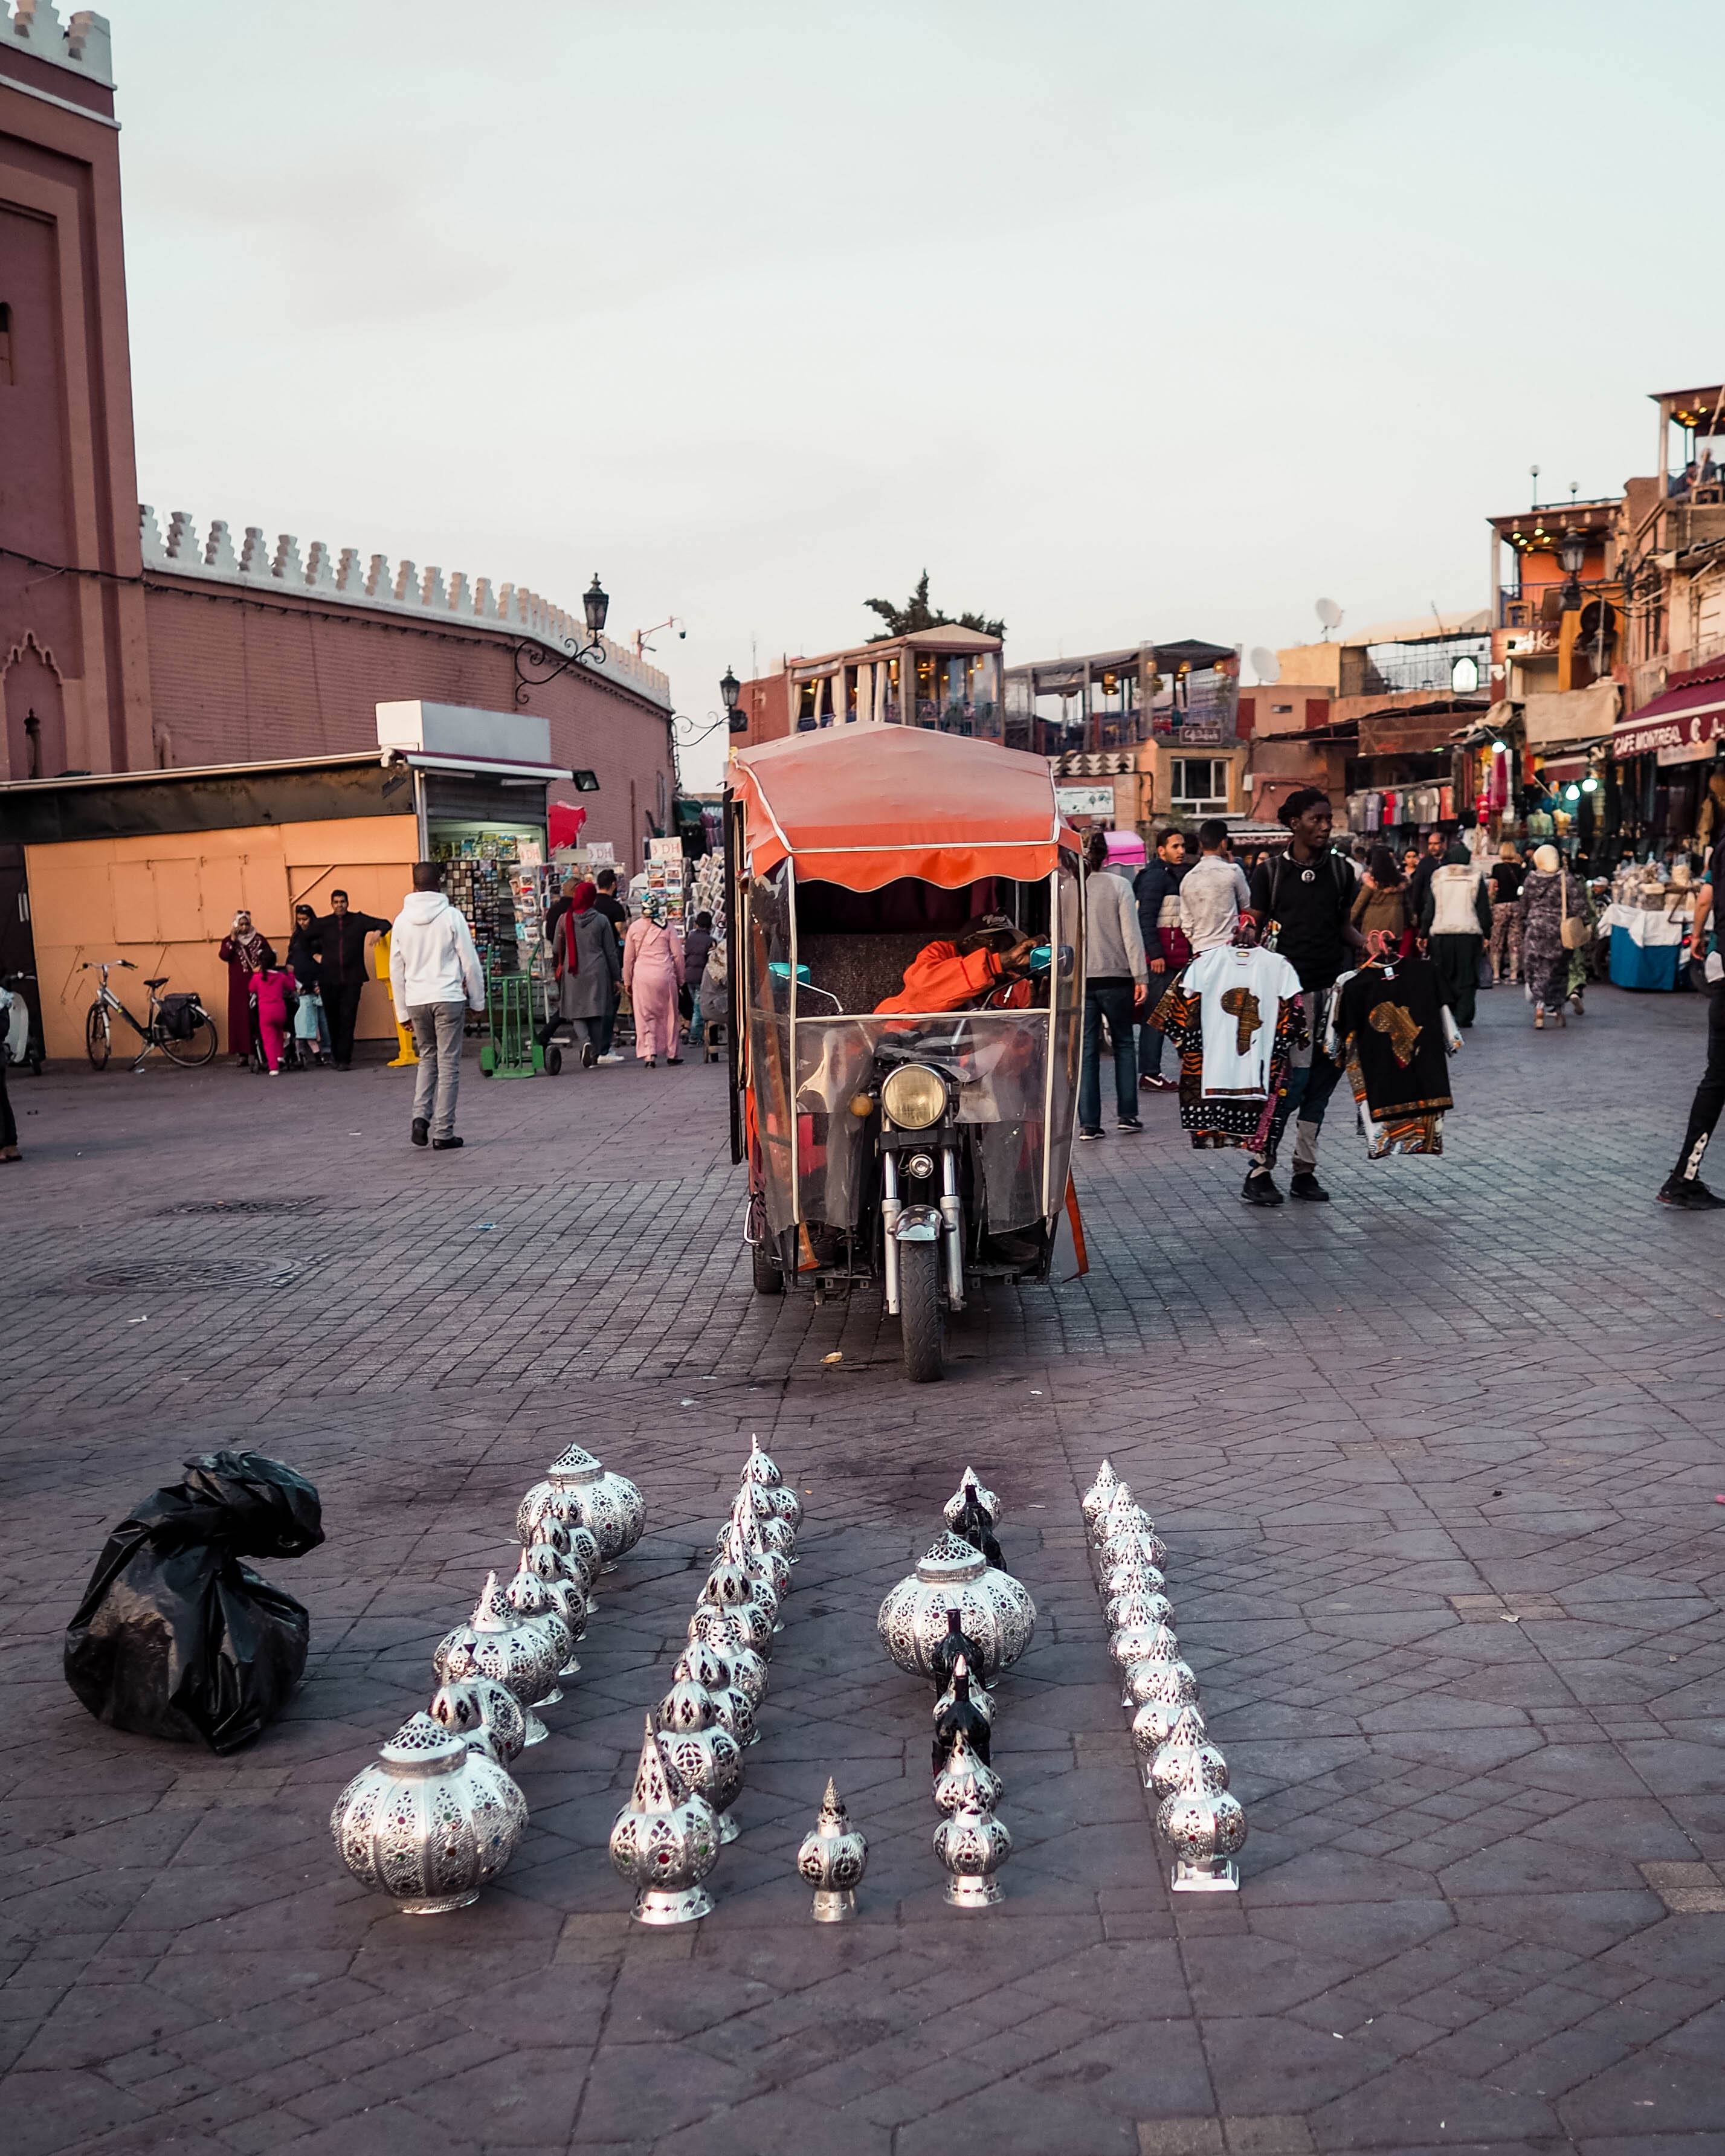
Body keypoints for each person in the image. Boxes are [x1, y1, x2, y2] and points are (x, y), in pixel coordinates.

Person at [1241, 787, 1365, 1205]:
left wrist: (1369, 945)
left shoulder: (1341, 873)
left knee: (1323, 1084)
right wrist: (1244, 934)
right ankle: (1259, 1169)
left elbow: (1343, 927)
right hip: (1290, 1001)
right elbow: (1254, 921)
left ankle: (1304, 1171)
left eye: (1329, 819)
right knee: (1288, 1086)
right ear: (1294, 823)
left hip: (1332, 994)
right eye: (1317, 819)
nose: (1326, 826)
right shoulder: (1269, 872)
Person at [389, 861, 486, 1148]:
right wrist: (478, 1002)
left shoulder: (402, 920)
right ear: (440, 882)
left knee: (427, 1059)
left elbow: (397, 968)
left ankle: (420, 1118)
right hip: (448, 997)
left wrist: (402, 1011)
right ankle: (444, 1132)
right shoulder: (451, 916)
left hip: (417, 1000)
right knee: (449, 1065)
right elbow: (469, 961)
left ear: (414, 884)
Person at [1659, 835, 1725, 1208]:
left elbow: (1705, 895)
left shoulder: (1721, 846)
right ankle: (1682, 1177)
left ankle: (1683, 1176)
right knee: (1716, 1080)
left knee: (1716, 1079)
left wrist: (1698, 934)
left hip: (1722, 969)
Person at [1080, 828, 1147, 1138]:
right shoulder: (1120, 885)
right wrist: (1140, 976)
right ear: (1107, 854)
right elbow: (1131, 936)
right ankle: (1127, 1115)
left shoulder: (1069, 888)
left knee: (1087, 1052)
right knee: (1123, 1044)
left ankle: (1089, 1124)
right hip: (1117, 977)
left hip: (1081, 979)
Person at [875, 914, 1039, 1016]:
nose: (1009, 953)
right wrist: (996, 963)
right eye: (999, 946)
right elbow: (926, 989)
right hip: (900, 1048)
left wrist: (1031, 1021)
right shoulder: (939, 953)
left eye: (1012, 948)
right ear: (969, 942)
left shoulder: (1017, 985)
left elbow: (1009, 1056)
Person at [1133, 828, 1190, 1095]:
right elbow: (1146, 917)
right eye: (1176, 846)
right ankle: (1150, 1073)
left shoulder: (1169, 875)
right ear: (1161, 850)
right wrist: (1155, 953)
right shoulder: (1155, 877)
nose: (1181, 851)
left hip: (1174, 960)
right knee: (1156, 1017)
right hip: (1162, 962)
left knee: (1173, 1016)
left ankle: (1183, 1064)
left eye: (1183, 846)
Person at [546, 881, 622, 1066]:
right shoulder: (602, 920)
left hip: (573, 971)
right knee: (596, 1012)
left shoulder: (565, 919)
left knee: (576, 1012)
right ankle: (595, 1051)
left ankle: (585, 1042)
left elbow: (556, 947)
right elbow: (610, 951)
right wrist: (616, 977)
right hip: (598, 971)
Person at [314, 889, 390, 1069]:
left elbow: (385, 923)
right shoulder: (324, 924)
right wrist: (315, 954)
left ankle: (345, 1060)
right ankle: (336, 1056)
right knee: (333, 1020)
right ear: (331, 904)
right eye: (336, 902)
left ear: (348, 903)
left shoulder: (358, 920)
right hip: (329, 980)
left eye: (343, 902)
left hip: (352, 979)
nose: (340, 905)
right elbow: (302, 939)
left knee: (348, 1019)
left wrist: (378, 932)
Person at [1419, 841, 1492, 1028]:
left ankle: (1447, 1012)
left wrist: (1423, 933)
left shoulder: (1438, 877)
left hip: (1441, 933)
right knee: (1467, 975)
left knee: (1444, 974)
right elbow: (1483, 909)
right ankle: (1463, 1014)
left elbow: (1430, 908)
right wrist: (1487, 933)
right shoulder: (1476, 877)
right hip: (1469, 933)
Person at [1517, 843, 1585, 1029]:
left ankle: (1539, 1009)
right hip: (1559, 932)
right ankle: (1558, 1010)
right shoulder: (1566, 879)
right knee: (1558, 970)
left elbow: (1523, 906)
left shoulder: (1531, 880)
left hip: (1535, 930)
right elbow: (1579, 906)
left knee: (1536, 969)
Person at [622, 892, 685, 1066]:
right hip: (665, 976)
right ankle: (672, 1053)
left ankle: (649, 1055)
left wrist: (627, 981)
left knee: (645, 1016)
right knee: (670, 1016)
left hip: (642, 978)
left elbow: (628, 959)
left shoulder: (634, 928)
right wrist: (681, 979)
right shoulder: (668, 927)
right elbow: (678, 956)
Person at [217, 910, 274, 1065]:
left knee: (258, 1016)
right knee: (240, 1018)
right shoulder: (229, 941)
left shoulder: (259, 939)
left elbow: (269, 956)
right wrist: (233, 939)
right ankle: (242, 1054)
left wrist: (262, 967)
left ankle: (260, 1052)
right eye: (241, 924)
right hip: (239, 987)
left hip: (259, 984)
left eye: (247, 924)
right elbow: (224, 956)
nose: (244, 927)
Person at [590, 870, 629, 1062]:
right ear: (613, 885)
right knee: (610, 1005)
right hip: (609, 959)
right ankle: (604, 1048)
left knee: (594, 1006)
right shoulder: (615, 908)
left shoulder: (590, 905)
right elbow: (623, 935)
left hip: (588, 962)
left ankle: (594, 1045)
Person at [286, 903, 330, 1064]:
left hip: (318, 980)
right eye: (299, 920)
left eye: (305, 919)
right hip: (300, 983)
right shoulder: (296, 937)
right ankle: (304, 1050)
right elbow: (290, 959)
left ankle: (327, 1049)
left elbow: (325, 959)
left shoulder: (319, 936)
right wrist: (292, 981)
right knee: (302, 1017)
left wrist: (321, 981)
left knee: (323, 1017)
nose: (303, 923)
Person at [1352, 845, 1413, 954]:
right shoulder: (1400, 883)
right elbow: (1407, 906)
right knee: (1392, 961)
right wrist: (1412, 921)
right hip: (1395, 927)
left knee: (1375, 961)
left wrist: (1347, 926)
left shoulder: (1371, 883)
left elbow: (1358, 906)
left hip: (1373, 930)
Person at [250, 959, 297, 1075]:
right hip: (280, 1009)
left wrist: (255, 973)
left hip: (265, 1011)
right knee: (279, 1032)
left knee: (268, 1040)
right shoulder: (280, 976)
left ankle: (273, 1067)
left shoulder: (258, 978)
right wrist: (291, 973)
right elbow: (291, 986)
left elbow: (251, 988)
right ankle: (280, 1056)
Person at [1489, 841, 1526, 985]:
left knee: (1497, 940)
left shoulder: (1497, 868)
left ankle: (1496, 974)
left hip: (1500, 905)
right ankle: (1514, 975)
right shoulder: (1519, 869)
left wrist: (1491, 902)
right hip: (1516, 905)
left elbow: (1492, 888)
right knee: (1515, 940)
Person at [684, 910, 715, 1045]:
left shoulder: (690, 939)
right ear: (710, 926)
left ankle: (699, 1034)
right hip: (701, 977)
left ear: (696, 924)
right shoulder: (710, 941)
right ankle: (695, 1037)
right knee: (699, 1008)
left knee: (696, 1005)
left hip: (689, 976)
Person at [1406, 831, 1446, 927]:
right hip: (1427, 906)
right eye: (1430, 844)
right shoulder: (1424, 863)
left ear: (1443, 844)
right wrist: (1414, 910)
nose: (1432, 847)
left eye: (1436, 844)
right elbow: (1418, 886)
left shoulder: (1450, 860)